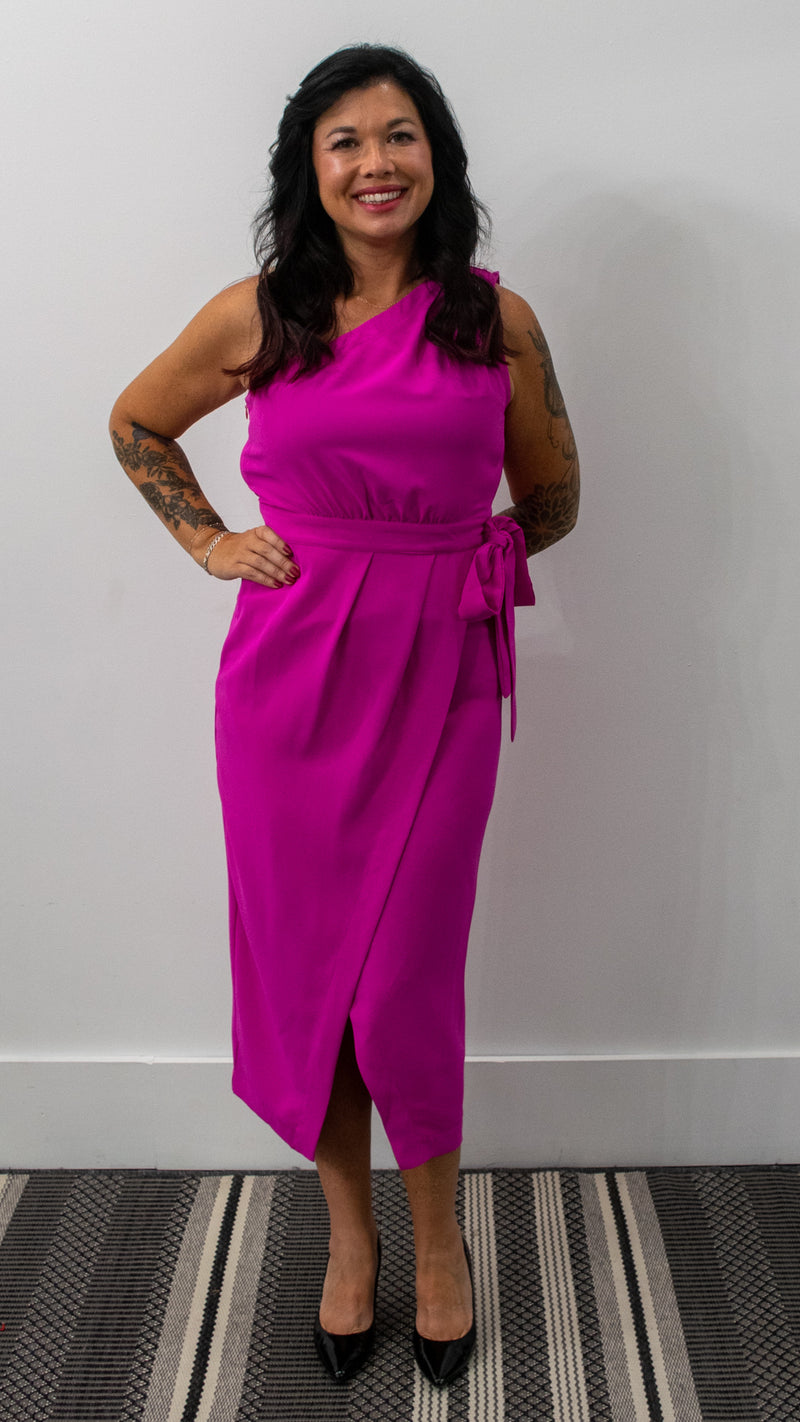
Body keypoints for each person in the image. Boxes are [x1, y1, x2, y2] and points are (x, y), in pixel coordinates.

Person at [109, 42, 579, 1388]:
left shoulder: (496, 322)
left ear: (438, 158)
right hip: (289, 682)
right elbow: (137, 422)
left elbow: (553, 495)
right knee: (311, 968)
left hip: (441, 672)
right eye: (346, 141)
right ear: (308, 172)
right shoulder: (259, 316)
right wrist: (212, 541)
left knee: (405, 978)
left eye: (400, 134)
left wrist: (457, 556)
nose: (377, 162)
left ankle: (439, 1245)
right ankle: (351, 1238)